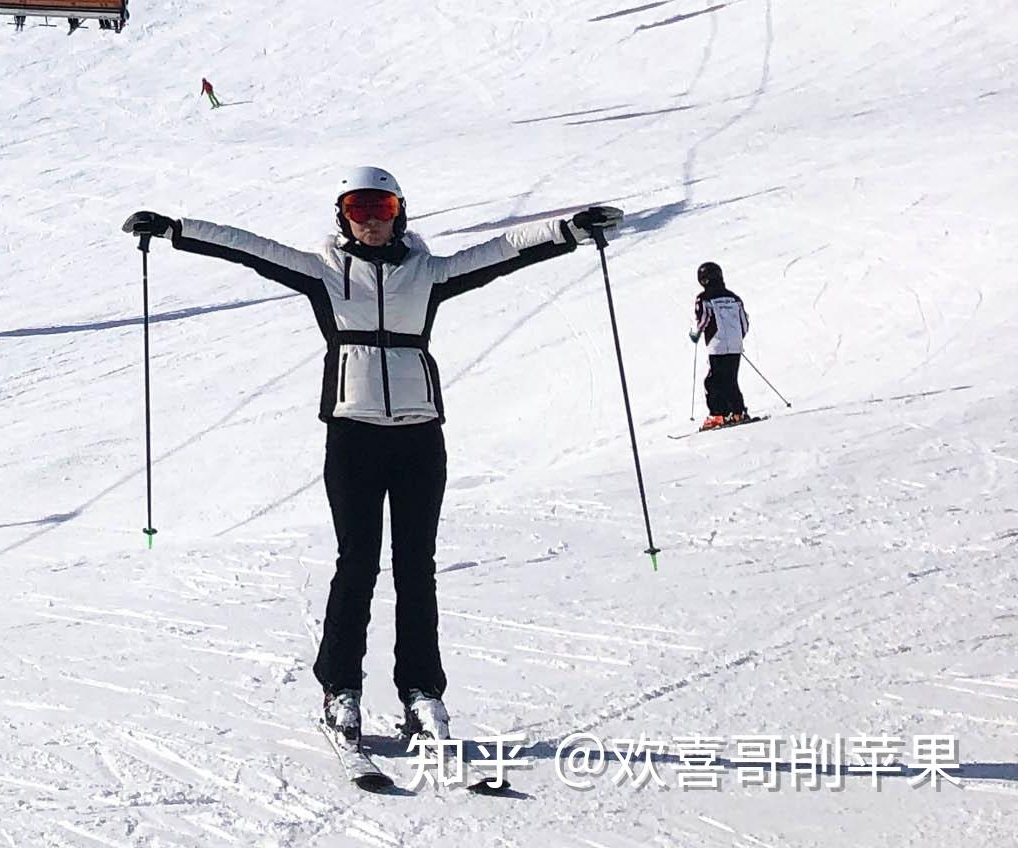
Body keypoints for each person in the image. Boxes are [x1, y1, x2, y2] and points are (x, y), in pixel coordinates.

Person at [121, 172, 620, 749]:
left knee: (417, 567)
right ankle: (340, 689)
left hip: (418, 437)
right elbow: (248, 248)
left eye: (381, 206)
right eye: (358, 207)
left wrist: (569, 229)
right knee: (356, 562)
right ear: (343, 216)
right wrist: (177, 231)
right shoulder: (324, 272)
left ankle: (422, 692)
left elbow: (501, 252)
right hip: (353, 435)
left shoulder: (429, 274)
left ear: (399, 212)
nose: (371, 217)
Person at [692, 262, 749, 428]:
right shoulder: (734, 297)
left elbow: (703, 319)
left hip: (717, 344)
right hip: (735, 344)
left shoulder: (704, 298)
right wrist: (737, 338)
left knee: (713, 381)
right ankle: (738, 412)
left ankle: (718, 414)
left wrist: (695, 335)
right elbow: (744, 321)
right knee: (731, 379)